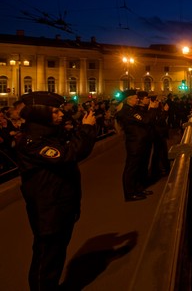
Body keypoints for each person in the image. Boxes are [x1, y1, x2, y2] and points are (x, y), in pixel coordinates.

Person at [14, 91, 97, 291]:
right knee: (46, 255)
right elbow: (69, 155)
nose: (61, 115)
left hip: (60, 204)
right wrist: (86, 129)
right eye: (54, 112)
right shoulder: (32, 141)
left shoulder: (48, 135)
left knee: (57, 251)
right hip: (48, 208)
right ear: (40, 113)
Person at [114, 89, 159, 201]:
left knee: (140, 167)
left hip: (140, 142)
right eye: (135, 98)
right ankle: (130, 193)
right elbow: (146, 120)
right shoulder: (127, 111)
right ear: (128, 100)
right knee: (132, 169)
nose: (137, 99)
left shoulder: (132, 110)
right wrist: (152, 109)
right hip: (135, 143)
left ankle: (138, 188)